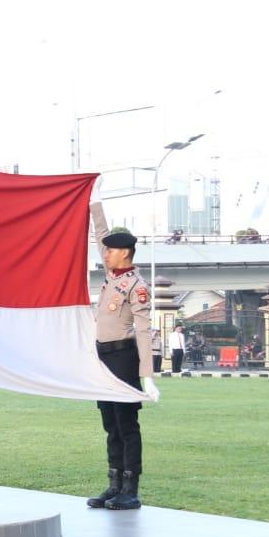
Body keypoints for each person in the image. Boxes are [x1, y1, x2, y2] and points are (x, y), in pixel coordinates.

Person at [88, 192, 159, 512]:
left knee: (127, 425)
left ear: (125, 253)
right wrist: (95, 203)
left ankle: (130, 489)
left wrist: (147, 377)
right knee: (110, 424)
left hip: (123, 358)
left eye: (110, 250)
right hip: (103, 358)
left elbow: (143, 331)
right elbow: (101, 234)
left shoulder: (136, 286)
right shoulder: (111, 276)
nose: (105, 254)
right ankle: (114, 484)